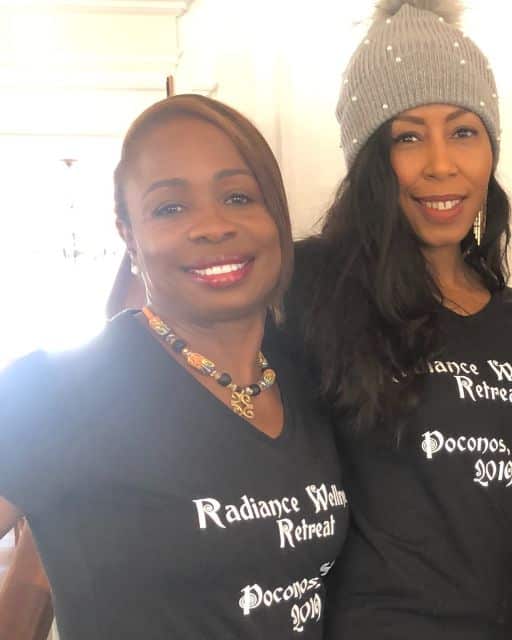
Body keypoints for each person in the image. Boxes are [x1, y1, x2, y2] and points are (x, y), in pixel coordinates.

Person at [0, 94, 348, 639]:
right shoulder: (56, 390)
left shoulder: (312, 376)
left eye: (239, 196)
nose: (212, 226)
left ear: (275, 215)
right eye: (169, 208)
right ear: (127, 233)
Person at [280, 2, 512, 638]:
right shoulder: (311, 291)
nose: (441, 163)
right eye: (408, 136)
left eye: (464, 131)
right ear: (371, 160)